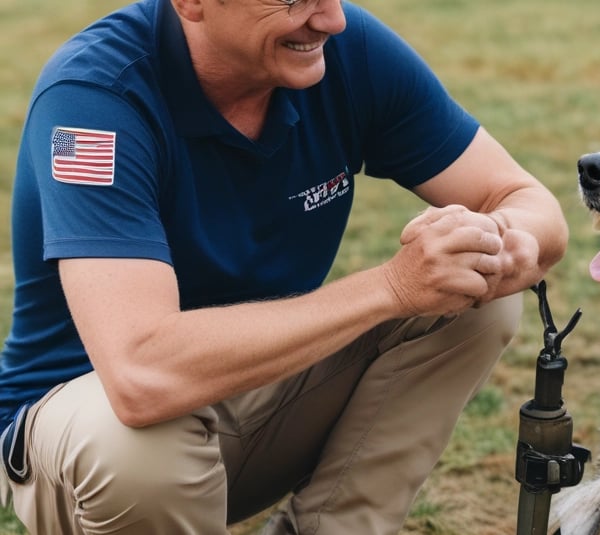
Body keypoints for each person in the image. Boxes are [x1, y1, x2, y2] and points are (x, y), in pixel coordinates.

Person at [0, 0, 568, 533]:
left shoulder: (345, 51)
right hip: (91, 440)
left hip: (247, 403)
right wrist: (394, 286)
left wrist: (502, 241)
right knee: (131, 446)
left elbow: (524, 198)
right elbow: (141, 376)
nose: (331, 19)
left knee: (471, 290)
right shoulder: (94, 99)